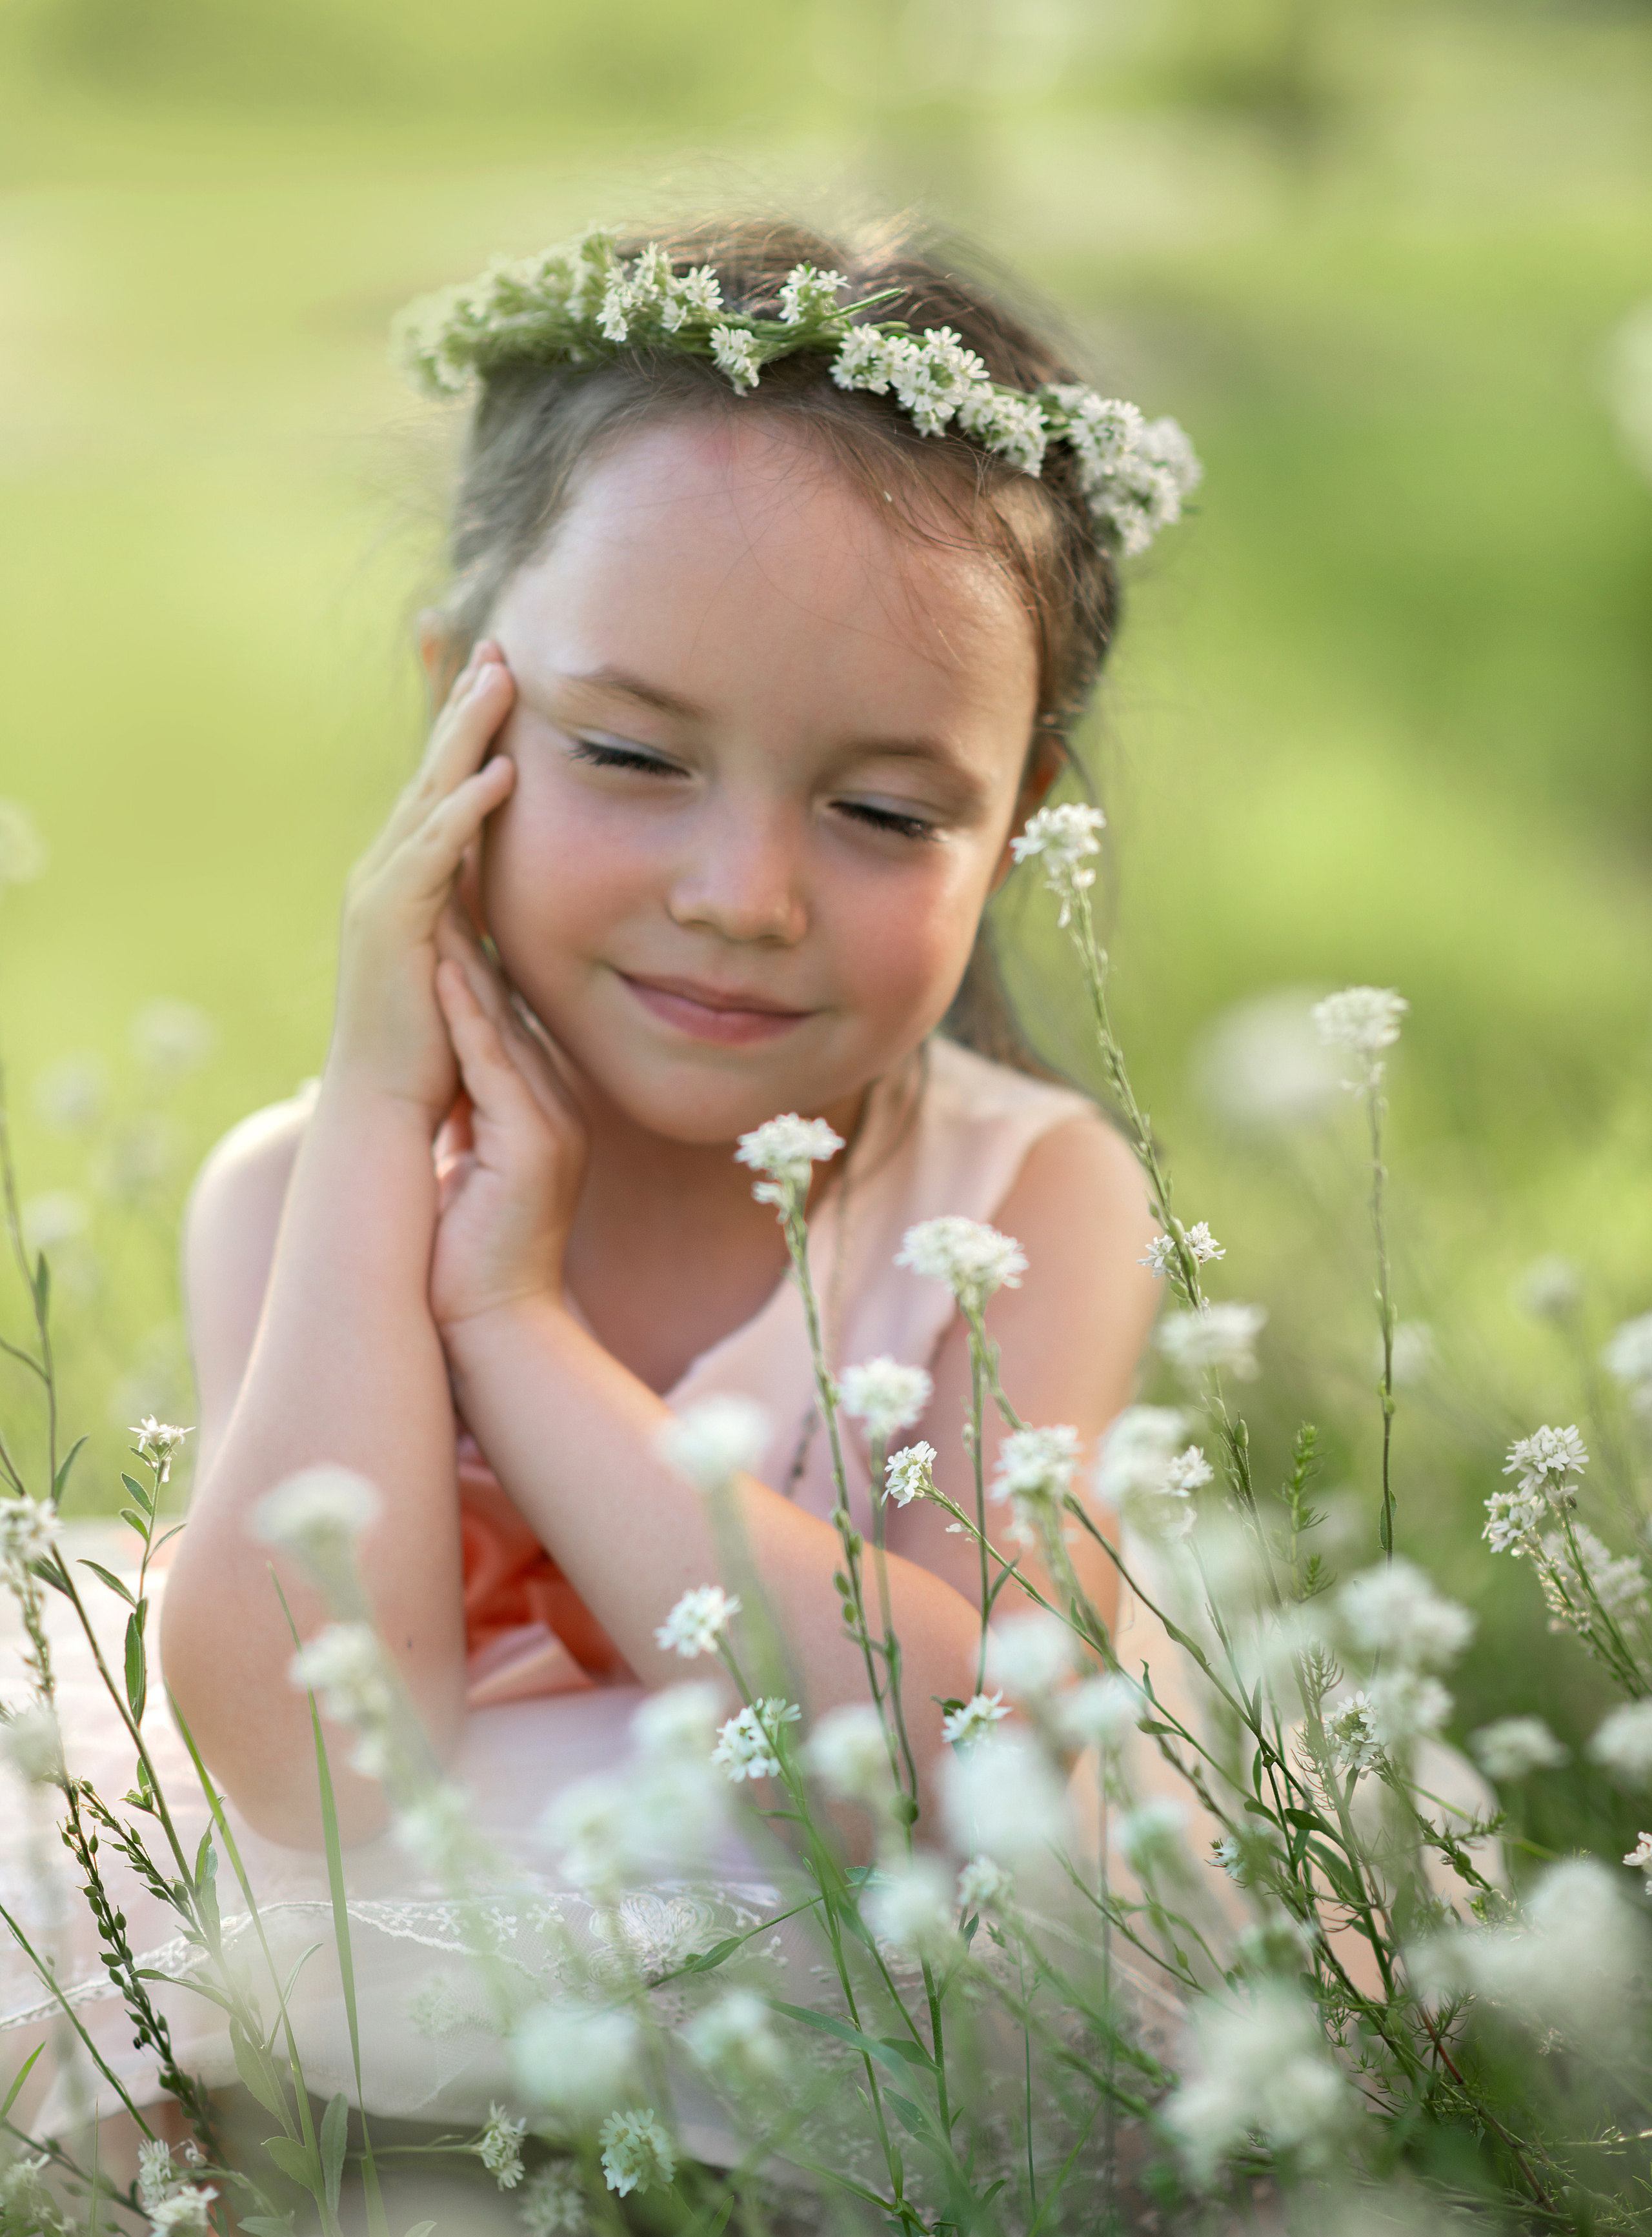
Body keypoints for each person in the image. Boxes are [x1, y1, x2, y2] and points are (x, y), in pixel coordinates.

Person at [5, 218, 1206, 2136]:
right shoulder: (305, 1187)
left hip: (832, 1973)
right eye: (634, 753)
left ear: (1021, 824)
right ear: (455, 716)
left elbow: (952, 1771)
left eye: (886, 810)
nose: (742, 894)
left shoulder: (1030, 1203)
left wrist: (517, 1323)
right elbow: (312, 1775)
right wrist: (386, 1127)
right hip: (373, 1966)